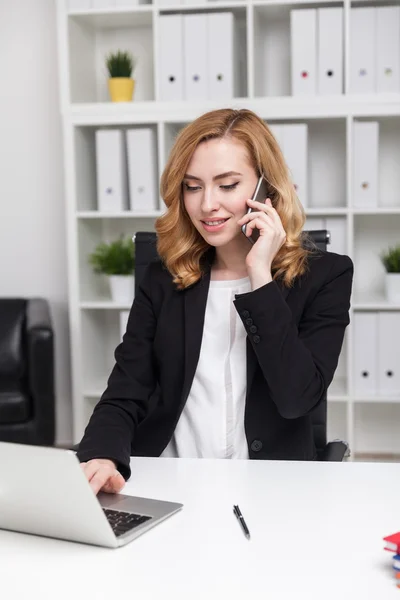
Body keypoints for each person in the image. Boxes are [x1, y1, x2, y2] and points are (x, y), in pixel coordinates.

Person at [78, 108, 353, 495]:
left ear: (265, 189)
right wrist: (103, 455)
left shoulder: (326, 276)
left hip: (270, 492)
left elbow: (297, 399)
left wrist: (259, 275)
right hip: (170, 483)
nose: (207, 204)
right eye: (193, 186)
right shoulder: (165, 277)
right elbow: (126, 391)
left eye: (227, 185)